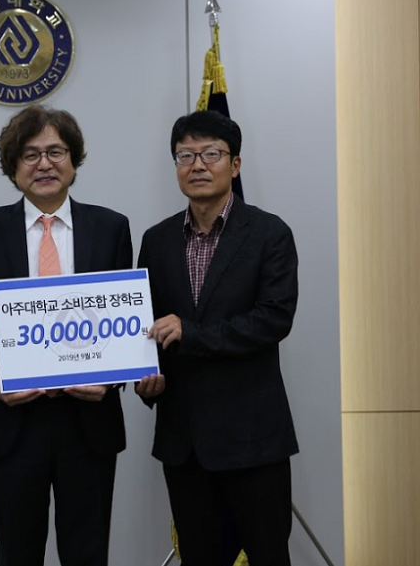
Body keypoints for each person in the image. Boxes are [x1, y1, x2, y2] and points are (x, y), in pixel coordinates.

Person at [0, 105, 160, 566]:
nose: (44, 164)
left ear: (74, 161)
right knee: (17, 555)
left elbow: (126, 324)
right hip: (10, 423)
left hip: (89, 423)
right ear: (13, 167)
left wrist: (111, 381)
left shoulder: (111, 228)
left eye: (55, 152)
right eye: (30, 154)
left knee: (88, 555)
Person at [136, 110, 299, 566]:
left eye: (211, 154)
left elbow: (273, 320)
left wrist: (191, 334)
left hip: (253, 438)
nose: (198, 165)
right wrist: (147, 378)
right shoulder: (156, 240)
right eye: (185, 156)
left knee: (269, 556)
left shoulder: (269, 233)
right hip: (184, 442)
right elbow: (146, 325)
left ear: (235, 164)